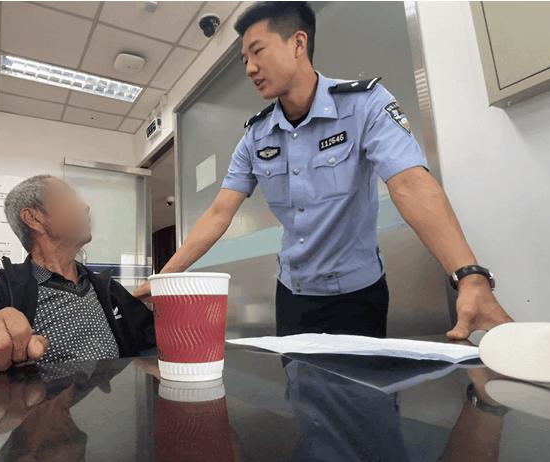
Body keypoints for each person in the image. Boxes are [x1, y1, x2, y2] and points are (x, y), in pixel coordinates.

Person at [133, 1, 512, 339]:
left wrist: (469, 275)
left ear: (298, 43)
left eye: (257, 51)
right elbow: (218, 214)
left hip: (358, 295)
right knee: (300, 390)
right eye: (244, 59)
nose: (249, 68)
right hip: (293, 295)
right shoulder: (255, 136)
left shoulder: (364, 104)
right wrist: (164, 277)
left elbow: (411, 183)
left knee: (361, 392)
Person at [0, 175, 155, 372]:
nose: (85, 206)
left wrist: (168, 300)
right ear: (33, 218)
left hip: (116, 410)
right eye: (68, 198)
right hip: (38, 414)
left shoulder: (106, 288)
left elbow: (153, 335)